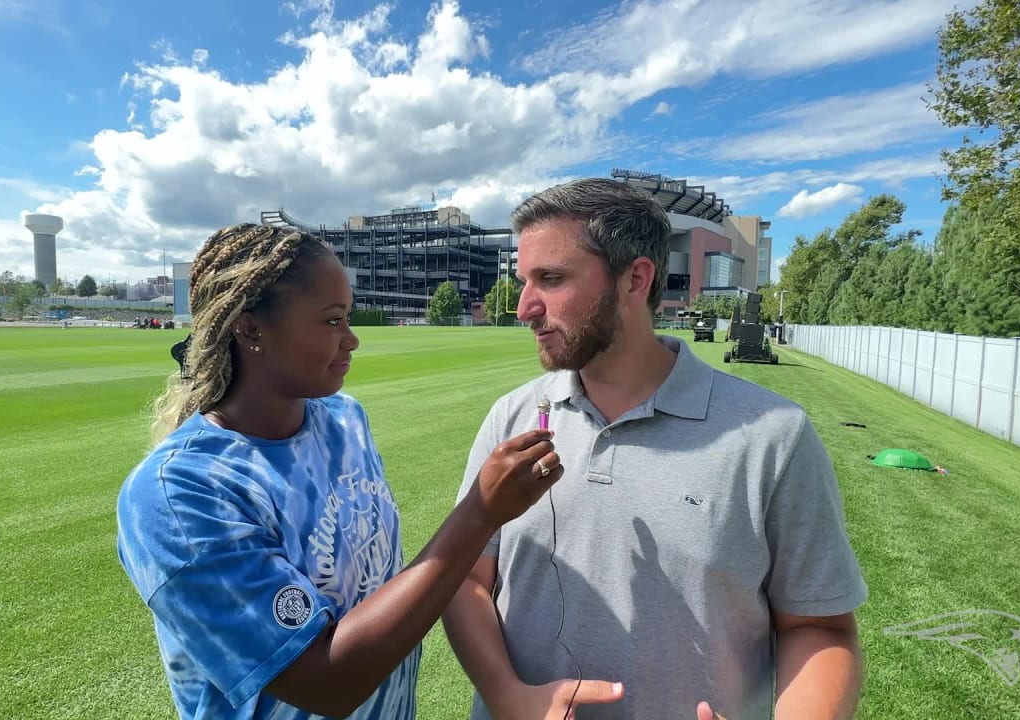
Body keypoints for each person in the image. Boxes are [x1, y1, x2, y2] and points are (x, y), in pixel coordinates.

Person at [441, 179, 868, 720]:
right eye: (525, 280)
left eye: (550, 278)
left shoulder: (772, 436)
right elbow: (466, 579)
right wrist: (507, 696)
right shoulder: (512, 417)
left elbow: (818, 626)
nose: (525, 306)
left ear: (635, 279)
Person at [115, 223, 564, 720]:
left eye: (348, 318)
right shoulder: (179, 492)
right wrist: (480, 513)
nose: (351, 340)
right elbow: (324, 682)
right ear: (249, 329)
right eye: (332, 321)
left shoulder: (344, 419)